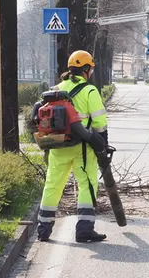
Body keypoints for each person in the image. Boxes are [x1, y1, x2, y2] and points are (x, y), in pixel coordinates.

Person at [37, 50, 109, 243]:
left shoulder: (56, 89)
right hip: (82, 147)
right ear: (86, 69)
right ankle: (84, 230)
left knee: (52, 185)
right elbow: (100, 122)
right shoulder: (89, 90)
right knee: (86, 184)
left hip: (58, 145)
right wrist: (102, 145)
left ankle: (43, 230)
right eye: (90, 69)